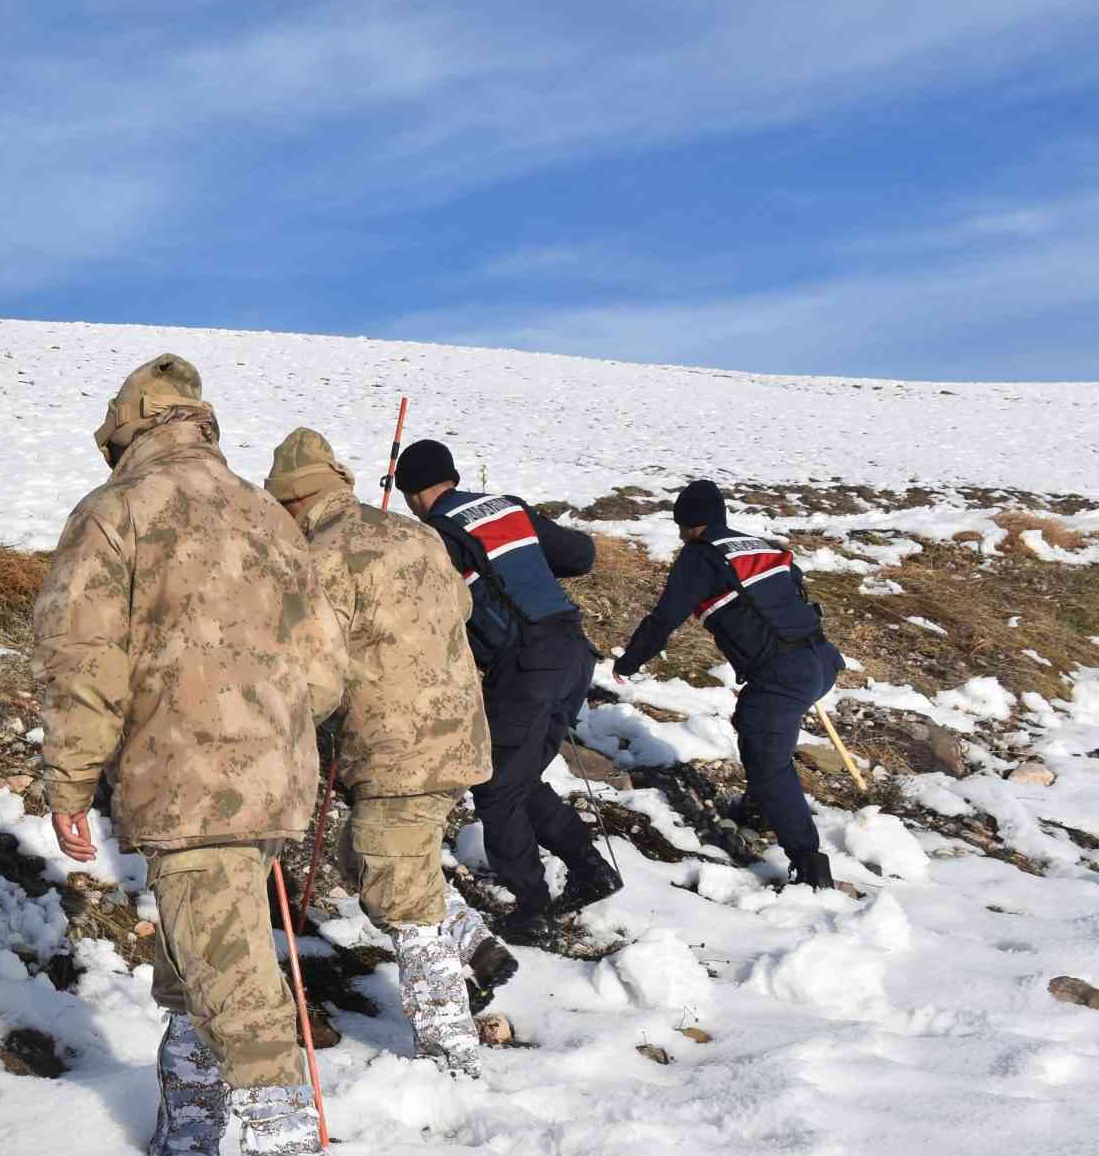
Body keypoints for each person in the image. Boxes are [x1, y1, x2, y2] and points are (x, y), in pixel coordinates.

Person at [35, 354, 351, 1156]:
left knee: (241, 998)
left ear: (125, 428)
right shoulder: (265, 514)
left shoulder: (114, 512)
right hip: (270, 781)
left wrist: (68, 778)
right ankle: (185, 1147)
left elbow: (81, 660)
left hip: (186, 781)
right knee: (201, 966)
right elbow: (328, 668)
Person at [266, 429, 496, 1073]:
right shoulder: (416, 533)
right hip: (457, 730)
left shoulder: (324, 555)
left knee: (395, 888)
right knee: (367, 857)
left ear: (291, 503)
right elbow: (463, 602)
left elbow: (316, 665)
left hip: (398, 745)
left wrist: (283, 733)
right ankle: (473, 940)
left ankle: (452, 1049)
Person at [393, 439, 620, 951]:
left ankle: (532, 908)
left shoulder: (438, 535)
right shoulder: (506, 507)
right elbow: (579, 555)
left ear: (412, 494)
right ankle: (590, 872)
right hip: (574, 654)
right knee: (519, 781)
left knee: (494, 788)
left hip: (527, 665)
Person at [615, 479, 844, 891]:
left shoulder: (700, 557)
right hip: (822, 659)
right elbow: (795, 586)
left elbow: (665, 618)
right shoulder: (760, 545)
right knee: (755, 725)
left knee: (767, 754)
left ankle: (810, 867)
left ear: (687, 523)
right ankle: (760, 809)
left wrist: (629, 662)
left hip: (783, 671)